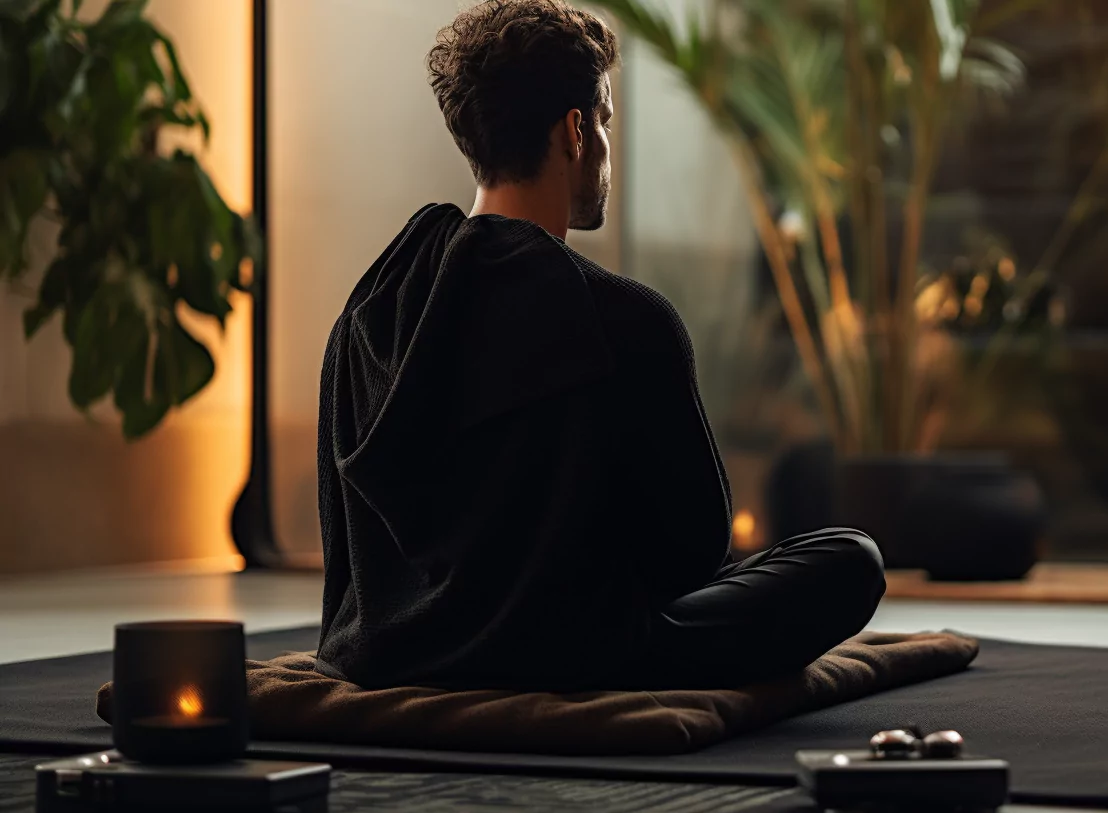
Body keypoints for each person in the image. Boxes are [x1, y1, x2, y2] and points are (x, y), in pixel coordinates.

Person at [315, 0, 885, 693]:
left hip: (389, 654)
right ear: (576, 132)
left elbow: (348, 554)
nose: (608, 142)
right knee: (850, 557)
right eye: (607, 121)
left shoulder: (370, 312)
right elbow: (692, 555)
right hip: (580, 654)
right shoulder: (622, 316)